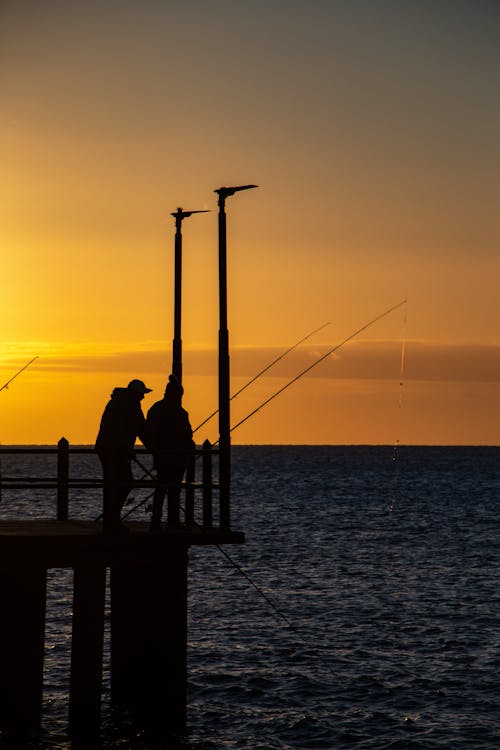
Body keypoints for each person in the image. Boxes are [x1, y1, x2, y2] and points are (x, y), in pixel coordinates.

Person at [95, 378, 152, 533]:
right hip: (113, 450)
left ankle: (111, 520)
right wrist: (152, 448)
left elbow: (140, 429)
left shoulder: (119, 403)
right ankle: (112, 521)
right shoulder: (128, 406)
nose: (143, 397)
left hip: (109, 449)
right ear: (135, 394)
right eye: (141, 394)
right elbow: (134, 430)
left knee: (114, 484)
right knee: (123, 482)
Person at [146, 374, 194, 530]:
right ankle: (173, 522)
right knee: (174, 490)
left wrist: (155, 449)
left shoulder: (155, 409)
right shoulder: (179, 412)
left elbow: (149, 432)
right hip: (176, 457)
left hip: (160, 456)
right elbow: (187, 434)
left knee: (160, 488)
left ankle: (155, 520)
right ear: (177, 394)